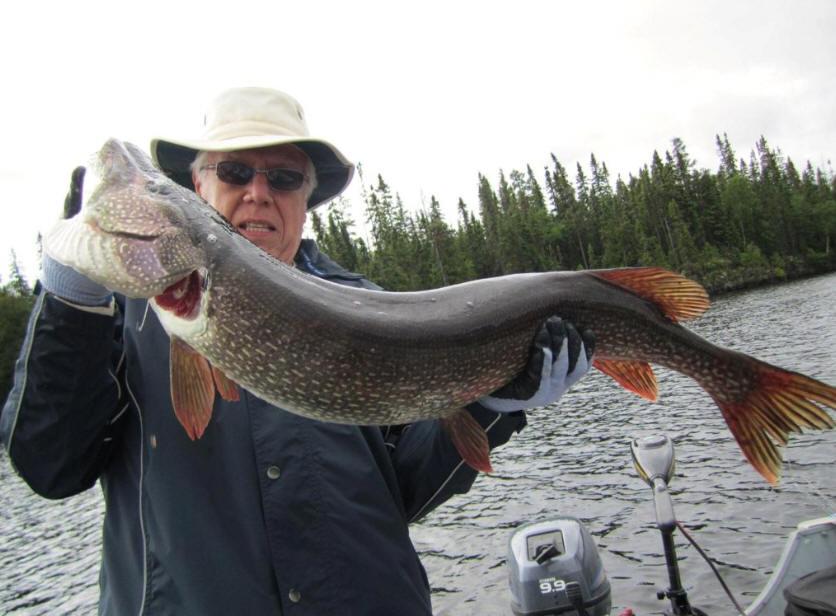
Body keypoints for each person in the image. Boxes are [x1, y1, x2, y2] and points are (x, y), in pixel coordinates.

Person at [1, 87, 594, 615]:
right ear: (197, 187)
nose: (258, 193)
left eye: (283, 178)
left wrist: (494, 403)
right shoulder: (121, 315)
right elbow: (50, 467)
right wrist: (70, 301)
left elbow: (405, 490)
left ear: (307, 195)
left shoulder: (373, 314)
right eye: (234, 172)